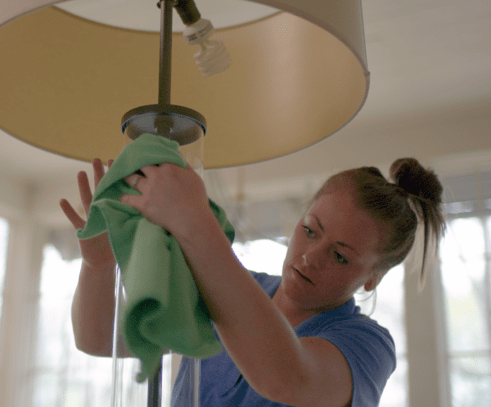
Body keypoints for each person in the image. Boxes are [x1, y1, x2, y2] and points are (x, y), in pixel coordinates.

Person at [60, 156, 446, 406]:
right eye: (310, 230)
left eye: (341, 255)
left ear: (371, 280)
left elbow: (285, 378)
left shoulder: (365, 344)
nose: (311, 256)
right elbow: (96, 337)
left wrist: (196, 223)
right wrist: (99, 263)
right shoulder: (230, 288)